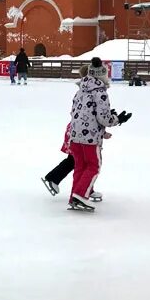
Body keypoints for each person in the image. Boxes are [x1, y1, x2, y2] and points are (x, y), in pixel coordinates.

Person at [67, 57, 132, 211]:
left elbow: (77, 112)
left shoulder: (80, 90)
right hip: (90, 138)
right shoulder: (100, 92)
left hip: (75, 135)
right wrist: (116, 119)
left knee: (80, 167)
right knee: (94, 166)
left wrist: (101, 129)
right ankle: (81, 195)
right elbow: (104, 118)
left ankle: (74, 196)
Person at [42, 65, 107, 201]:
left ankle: (86, 188)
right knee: (78, 161)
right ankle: (55, 178)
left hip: (77, 130)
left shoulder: (84, 89)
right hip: (80, 132)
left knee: (80, 161)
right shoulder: (89, 90)